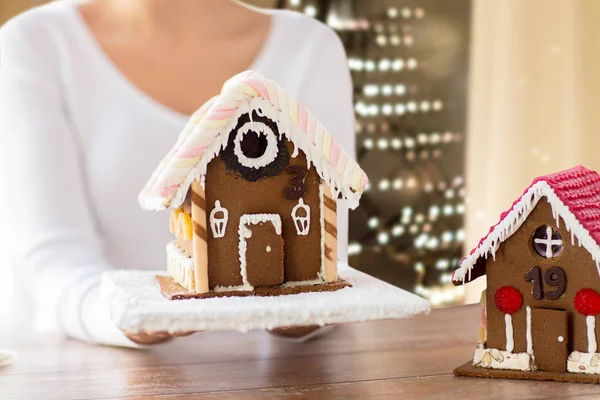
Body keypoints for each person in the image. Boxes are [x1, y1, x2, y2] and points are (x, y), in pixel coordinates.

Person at [0, 0, 354, 346]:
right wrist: (137, 315)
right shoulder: (35, 44)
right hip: (88, 373)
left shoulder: (310, 46)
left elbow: (324, 254)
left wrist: (306, 309)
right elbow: (54, 264)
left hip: (282, 375)